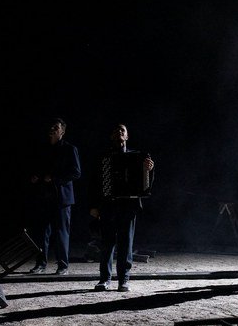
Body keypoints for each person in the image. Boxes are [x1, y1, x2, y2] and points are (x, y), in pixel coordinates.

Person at [88, 124, 154, 292]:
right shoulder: (103, 157)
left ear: (127, 136)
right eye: (116, 130)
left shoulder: (138, 156)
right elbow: (94, 183)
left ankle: (123, 280)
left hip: (128, 205)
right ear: (111, 136)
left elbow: (146, 186)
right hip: (108, 204)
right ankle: (105, 279)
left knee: (126, 243)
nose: (119, 132)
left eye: (122, 130)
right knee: (107, 243)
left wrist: (149, 170)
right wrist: (94, 206)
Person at [28, 118, 81, 275]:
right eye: (51, 127)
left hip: (62, 198)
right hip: (45, 196)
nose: (52, 129)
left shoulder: (70, 149)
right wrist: (36, 177)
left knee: (61, 232)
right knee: (42, 232)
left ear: (62, 132)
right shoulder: (44, 149)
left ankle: (63, 265)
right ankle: (40, 264)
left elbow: (76, 172)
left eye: (56, 127)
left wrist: (55, 179)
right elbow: (39, 169)